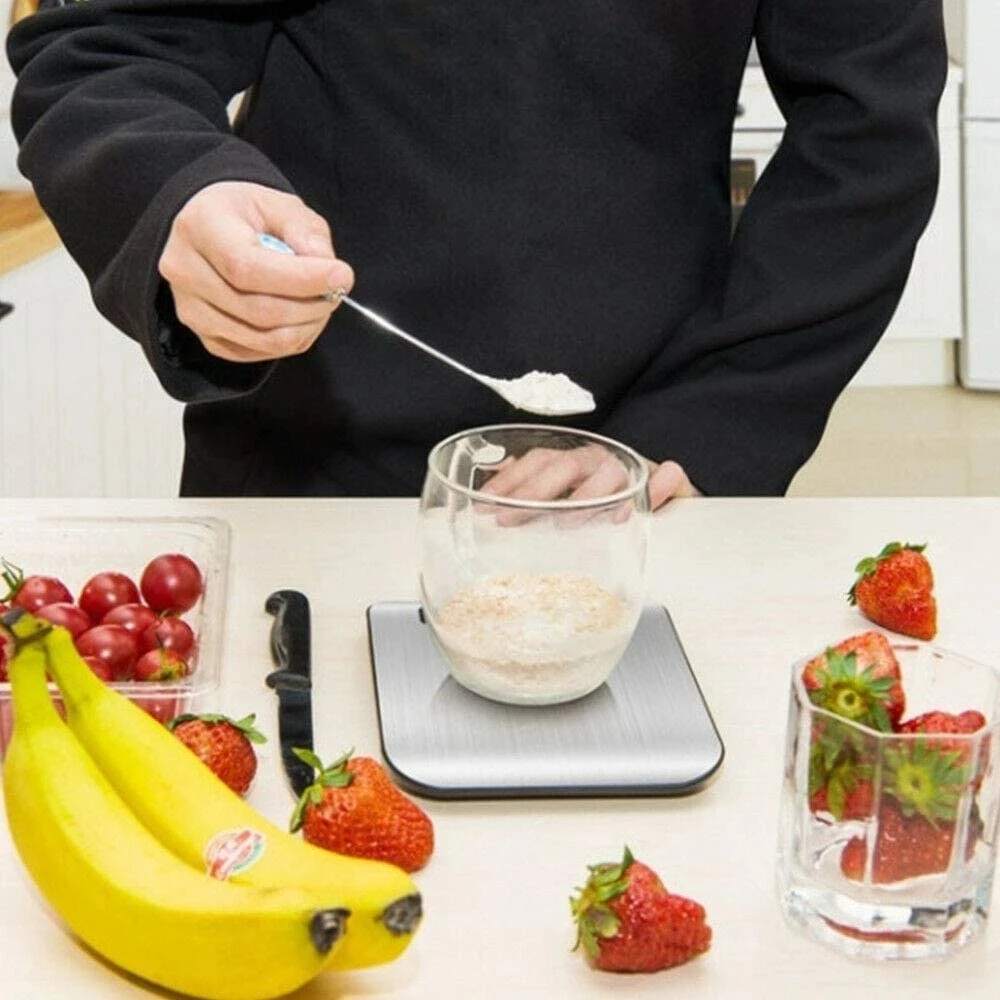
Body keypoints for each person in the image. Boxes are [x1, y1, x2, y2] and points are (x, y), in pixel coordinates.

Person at [6, 1, 947, 504]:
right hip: (314, 471)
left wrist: (709, 423)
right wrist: (180, 188)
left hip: (647, 475)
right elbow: (108, 47)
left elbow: (866, 135)